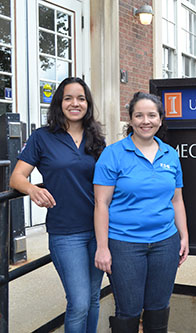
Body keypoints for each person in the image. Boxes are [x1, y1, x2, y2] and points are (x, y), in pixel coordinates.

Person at [10, 77, 106, 332]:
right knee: (79, 302)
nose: (75, 103)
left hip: (99, 231)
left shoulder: (96, 138)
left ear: (88, 104)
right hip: (66, 233)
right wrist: (32, 189)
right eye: (68, 98)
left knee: (94, 298)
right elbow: (16, 177)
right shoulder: (42, 137)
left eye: (81, 98)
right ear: (59, 103)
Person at [93, 91, 189, 333]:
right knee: (128, 311)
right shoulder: (113, 154)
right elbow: (101, 204)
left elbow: (177, 200)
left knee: (159, 308)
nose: (146, 121)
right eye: (139, 115)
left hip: (165, 243)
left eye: (152, 115)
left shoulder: (170, 154)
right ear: (131, 119)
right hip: (124, 244)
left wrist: (184, 235)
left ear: (160, 119)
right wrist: (102, 247)